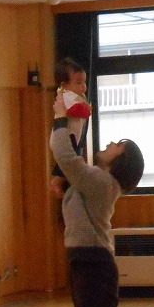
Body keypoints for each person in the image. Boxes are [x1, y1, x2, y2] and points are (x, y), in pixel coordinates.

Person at [50, 92, 143, 307]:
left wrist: (61, 119)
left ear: (120, 162)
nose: (109, 144)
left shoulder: (103, 183)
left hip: (94, 267)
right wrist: (63, 183)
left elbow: (65, 156)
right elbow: (71, 171)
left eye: (117, 146)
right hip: (85, 264)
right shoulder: (95, 182)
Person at [49, 58, 93, 203]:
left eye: (84, 82)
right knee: (69, 161)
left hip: (72, 137)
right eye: (79, 83)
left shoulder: (77, 96)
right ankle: (57, 182)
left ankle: (59, 182)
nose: (83, 87)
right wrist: (87, 110)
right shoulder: (67, 96)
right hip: (66, 137)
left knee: (69, 161)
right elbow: (75, 110)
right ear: (64, 85)